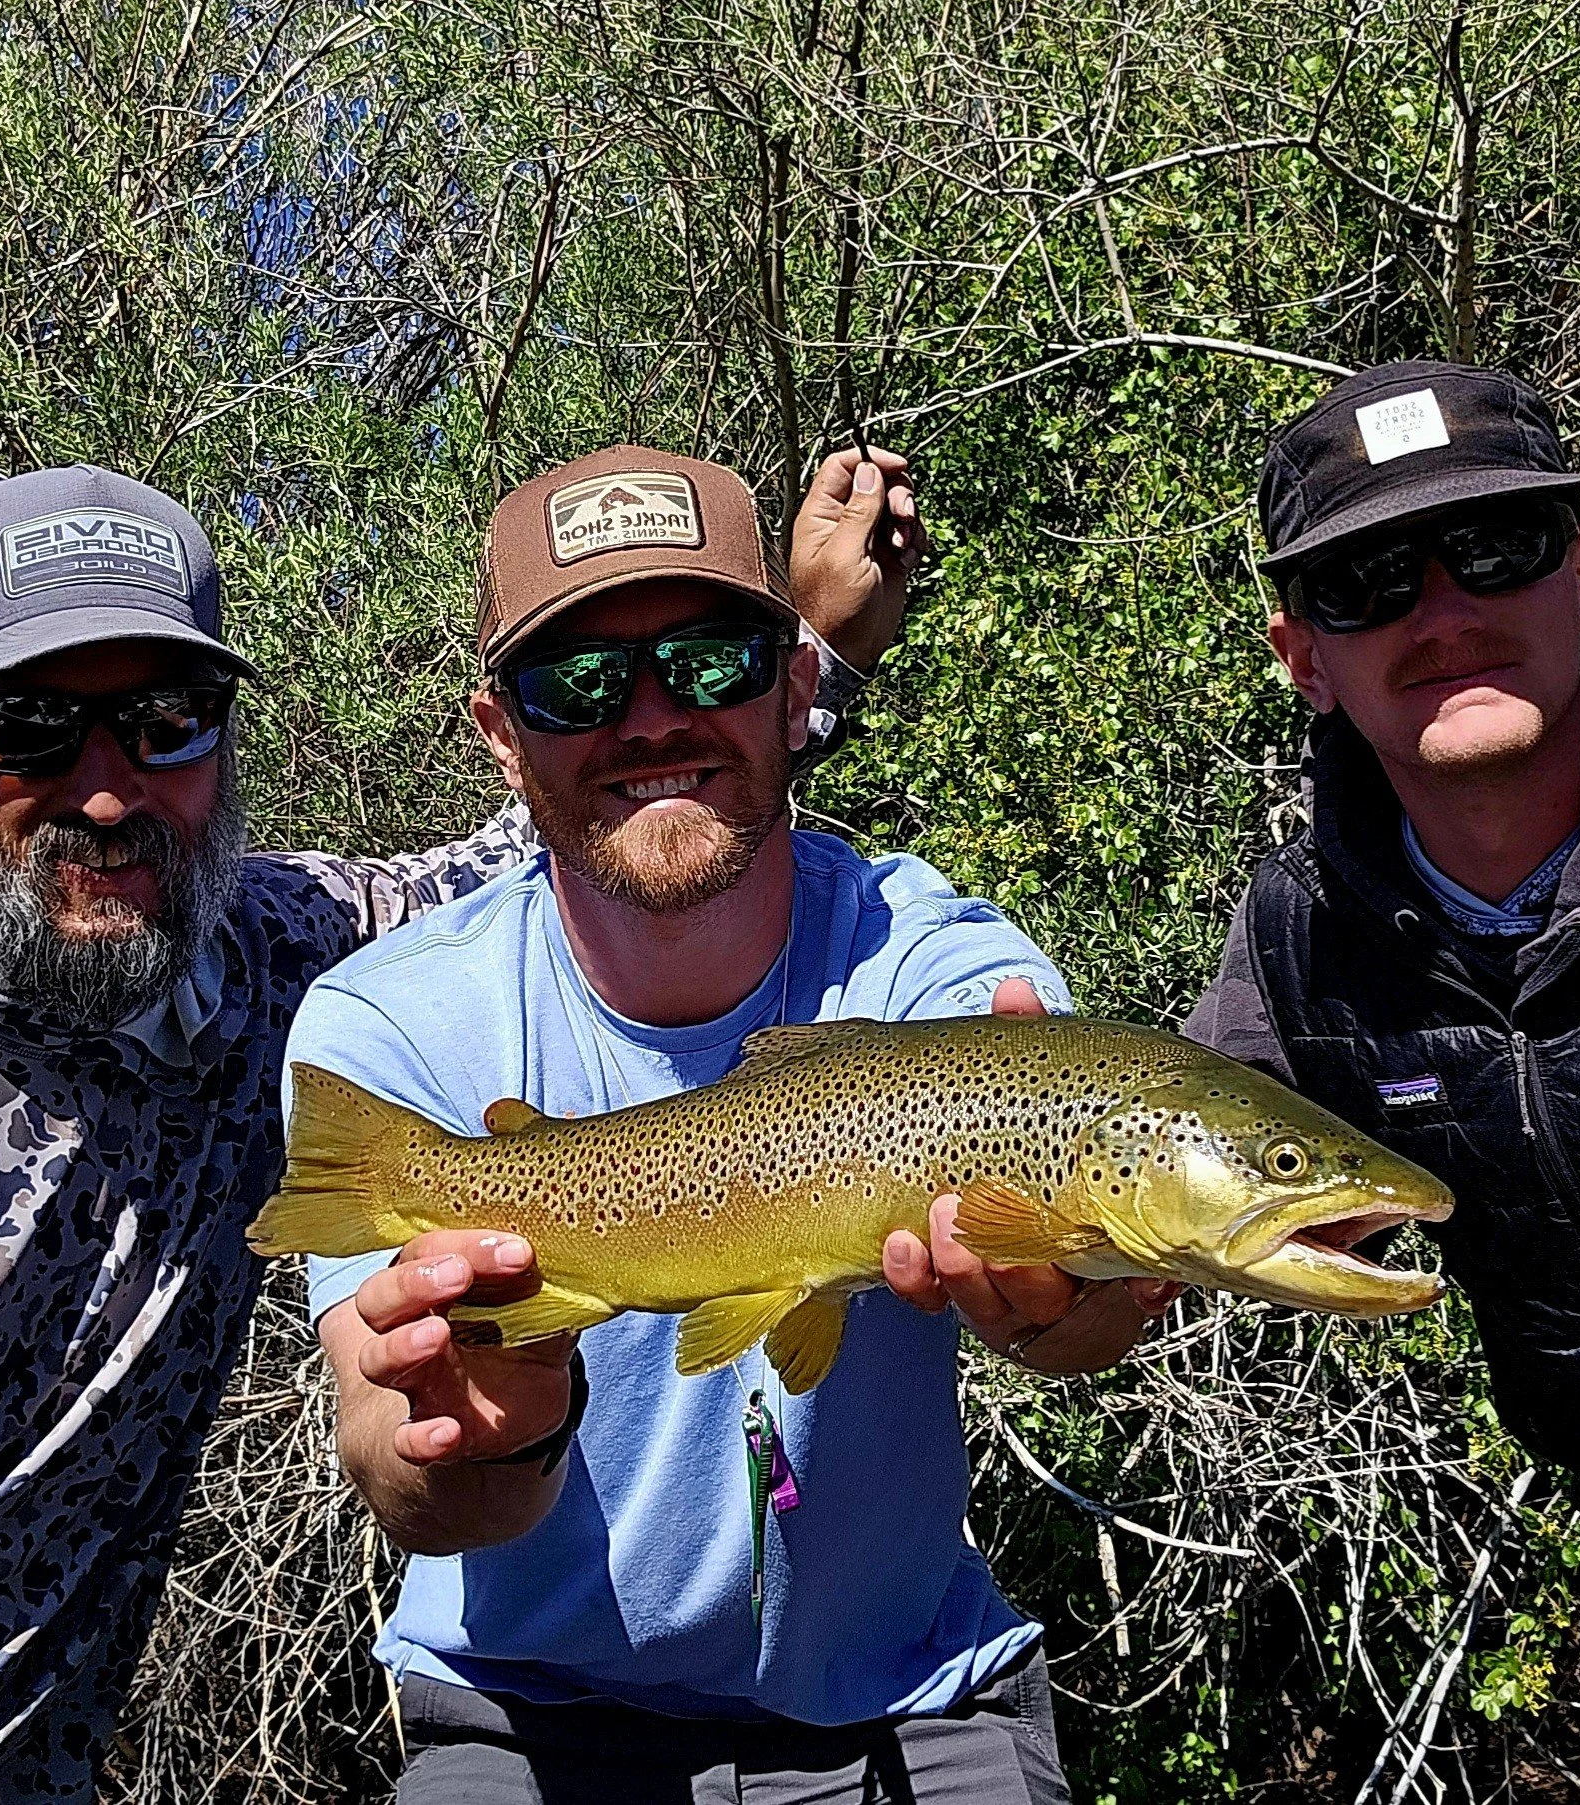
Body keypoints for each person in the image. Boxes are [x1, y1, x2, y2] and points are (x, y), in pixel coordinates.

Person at [0, 449, 913, 1804]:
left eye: (168, 717)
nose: (111, 789)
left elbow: (583, 826)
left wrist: (807, 656)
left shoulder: (268, 955)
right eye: (27, 723)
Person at [291, 444, 1164, 1803]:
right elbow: (411, 1489)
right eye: (575, 685)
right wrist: (491, 1428)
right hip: (530, 1714)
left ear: (796, 682)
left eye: (708, 664)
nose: (649, 719)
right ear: (498, 733)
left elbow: (1096, 1315)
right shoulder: (390, 1030)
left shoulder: (931, 965)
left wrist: (1063, 1304)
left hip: (907, 1708)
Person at [1184, 360, 1580, 1802]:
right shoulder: (1299, 945)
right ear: (1300, 657)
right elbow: (1146, 1211)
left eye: (1496, 548)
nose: (1442, 612)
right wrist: (1047, 1285)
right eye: (1367, 580)